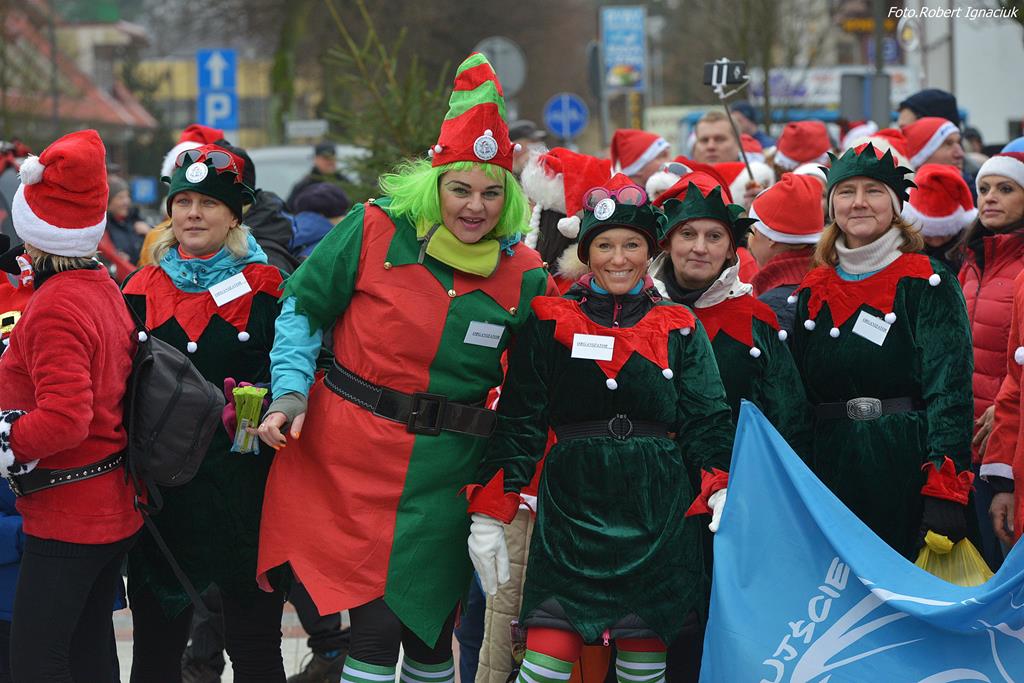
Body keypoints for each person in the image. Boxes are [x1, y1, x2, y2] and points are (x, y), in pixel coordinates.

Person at [255, 53, 556, 683]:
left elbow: (530, 396)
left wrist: (496, 496)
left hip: (447, 476)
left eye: (491, 192)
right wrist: (289, 393)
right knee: (375, 629)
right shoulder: (373, 229)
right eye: (460, 189)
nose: (475, 206)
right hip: (350, 461)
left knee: (430, 636)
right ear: (433, 185)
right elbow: (302, 309)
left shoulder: (525, 274)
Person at [464, 172, 734, 683]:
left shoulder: (680, 324)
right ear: (586, 254)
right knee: (544, 664)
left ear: (649, 252)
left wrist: (717, 481)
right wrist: (490, 512)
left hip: (656, 512)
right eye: (605, 245)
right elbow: (519, 422)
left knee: (642, 670)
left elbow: (707, 417)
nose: (618, 258)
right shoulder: (549, 321)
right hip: (573, 511)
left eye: (632, 245)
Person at [122, 143, 287, 682]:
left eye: (209, 203)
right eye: (183, 202)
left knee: (256, 650)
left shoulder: (268, 288)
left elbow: (294, 370)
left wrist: (263, 400)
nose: (193, 214)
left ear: (234, 216)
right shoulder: (138, 289)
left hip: (246, 493)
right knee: (155, 655)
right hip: (165, 500)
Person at [790, 143, 976, 561]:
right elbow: (799, 399)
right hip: (832, 470)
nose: (858, 202)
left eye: (873, 191)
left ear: (894, 206)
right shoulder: (813, 288)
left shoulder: (927, 282)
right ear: (831, 205)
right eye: (846, 191)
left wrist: (945, 489)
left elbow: (950, 391)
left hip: (906, 468)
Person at [0, 129, 140, 682]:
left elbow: (66, 418)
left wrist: (7, 442)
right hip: (107, 500)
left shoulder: (56, 305)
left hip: (69, 512)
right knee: (88, 653)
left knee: (36, 661)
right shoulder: (98, 284)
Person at [651, 179, 810, 448]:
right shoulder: (639, 313)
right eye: (687, 234)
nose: (700, 248)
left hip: (739, 469)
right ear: (667, 242)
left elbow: (791, 420)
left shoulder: (756, 319)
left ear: (729, 250)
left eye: (714, 237)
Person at [958, 151, 1024, 571]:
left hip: (1010, 439)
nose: (990, 198)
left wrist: (1003, 408)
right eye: (983, 189)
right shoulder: (970, 262)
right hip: (971, 444)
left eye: (1005, 188)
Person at [747, 173, 825, 337]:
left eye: (752, 230)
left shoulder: (772, 306)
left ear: (770, 238)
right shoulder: (827, 279)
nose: (748, 240)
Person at [902, 163, 977, 273]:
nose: (936, 242)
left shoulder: (972, 251)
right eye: (928, 235)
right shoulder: (898, 247)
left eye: (945, 234)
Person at [286, 141, 349, 212]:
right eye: (326, 158)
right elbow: (290, 211)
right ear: (316, 159)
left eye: (332, 157)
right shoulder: (304, 186)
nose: (330, 161)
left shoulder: (345, 183)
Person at [105, 175, 150, 263]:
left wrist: (150, 233)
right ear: (109, 202)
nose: (126, 201)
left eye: (127, 196)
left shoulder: (137, 219)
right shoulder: (104, 229)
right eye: (120, 197)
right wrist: (115, 258)